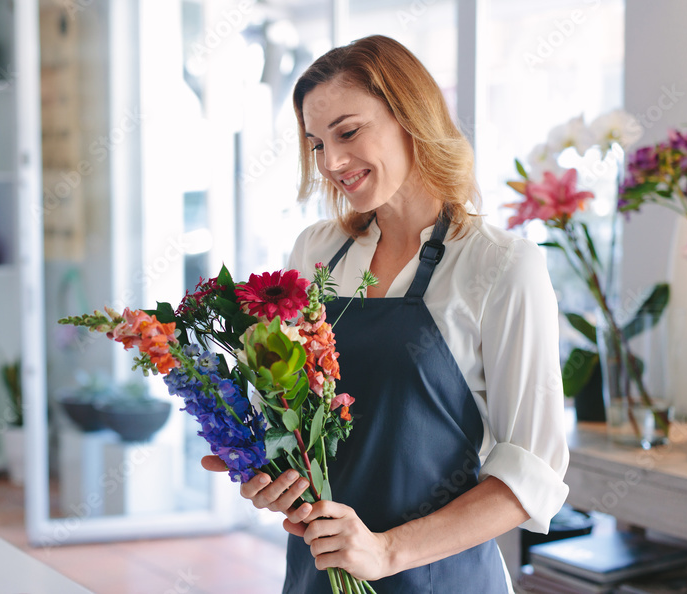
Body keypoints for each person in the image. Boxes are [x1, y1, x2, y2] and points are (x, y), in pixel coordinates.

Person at [202, 34, 569, 592]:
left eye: (348, 132)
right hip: (319, 574)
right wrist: (271, 471)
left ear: (410, 117)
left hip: (443, 578)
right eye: (317, 143)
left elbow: (532, 473)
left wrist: (385, 550)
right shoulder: (317, 253)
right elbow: (297, 421)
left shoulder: (499, 266)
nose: (332, 162)